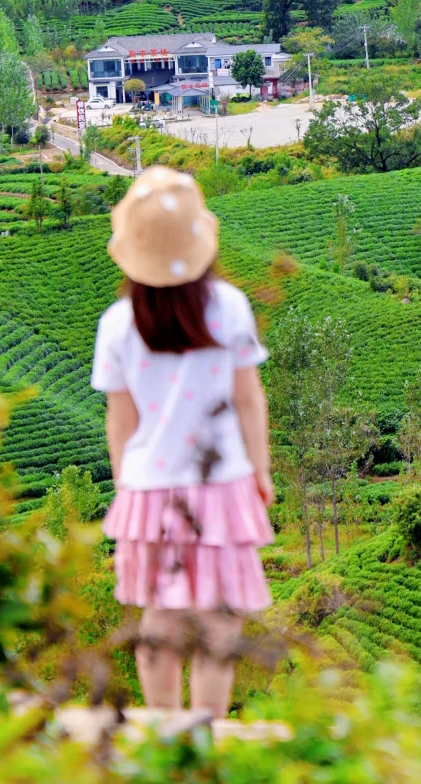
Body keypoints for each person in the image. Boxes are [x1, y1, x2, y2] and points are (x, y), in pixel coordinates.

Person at [91, 166, 274, 718]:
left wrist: (126, 485)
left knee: (160, 620)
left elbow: (120, 421)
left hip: (150, 487)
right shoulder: (230, 307)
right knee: (219, 618)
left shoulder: (118, 323)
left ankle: (163, 734)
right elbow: (249, 399)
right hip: (220, 482)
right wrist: (261, 472)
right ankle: (207, 733)